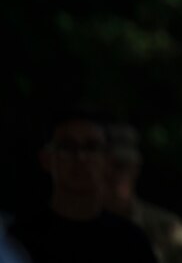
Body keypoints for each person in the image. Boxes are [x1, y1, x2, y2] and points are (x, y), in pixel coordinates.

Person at [7, 107, 158, 263]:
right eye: (67, 146)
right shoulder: (18, 240)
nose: (81, 157)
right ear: (47, 159)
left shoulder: (131, 241)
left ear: (107, 159)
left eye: (92, 147)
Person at [103, 122, 182, 263]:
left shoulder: (167, 230)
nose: (110, 175)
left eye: (120, 166)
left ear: (136, 168)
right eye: (103, 167)